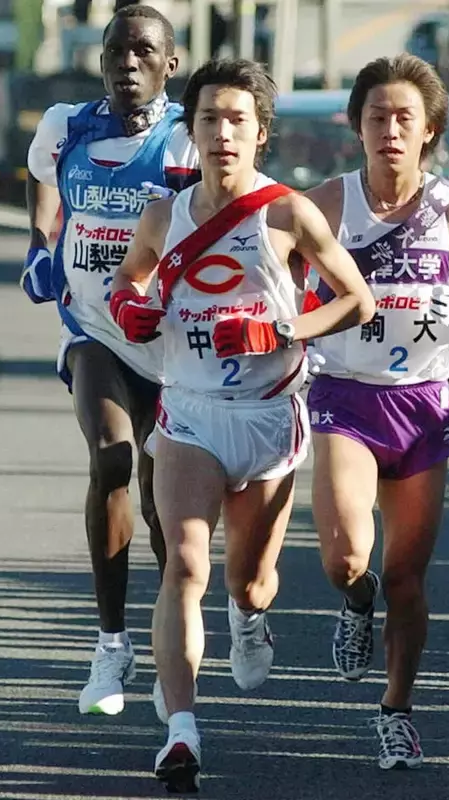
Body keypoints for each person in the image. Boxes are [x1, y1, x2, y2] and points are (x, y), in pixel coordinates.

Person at [110, 58, 375, 792]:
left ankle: (250, 618)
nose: (221, 133)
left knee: (250, 583)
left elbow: (356, 300)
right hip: (191, 414)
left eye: (237, 120)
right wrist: (133, 308)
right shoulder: (165, 215)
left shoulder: (288, 212)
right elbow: (130, 279)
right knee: (183, 566)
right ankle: (181, 733)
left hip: (267, 418)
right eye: (207, 120)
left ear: (260, 133)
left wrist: (282, 331)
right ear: (189, 131)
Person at [303, 54, 449, 769]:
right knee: (348, 557)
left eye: (405, 118)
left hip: (422, 405)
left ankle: (396, 710)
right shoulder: (327, 205)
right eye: (377, 117)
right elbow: (268, 271)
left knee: (409, 578)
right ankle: (352, 600)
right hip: (345, 396)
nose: (390, 130)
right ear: (356, 126)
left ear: (428, 132)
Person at [20, 4, 200, 717]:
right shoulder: (65, 124)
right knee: (111, 460)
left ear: (170, 63)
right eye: (116, 51)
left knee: (165, 510)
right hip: (94, 329)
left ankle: (165, 645)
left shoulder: (189, 136)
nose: (128, 63)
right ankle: (109, 641)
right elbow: (43, 180)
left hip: (174, 344)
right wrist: (40, 245)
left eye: (144, 52)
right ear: (100, 59)